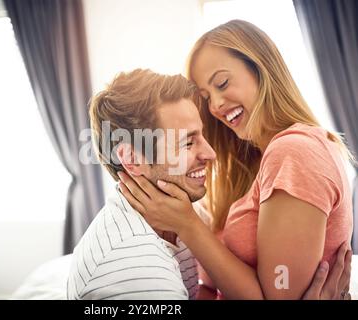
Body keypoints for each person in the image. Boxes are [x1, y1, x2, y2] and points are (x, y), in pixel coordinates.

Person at [117, 20, 354, 300]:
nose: (215, 105)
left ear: (261, 68)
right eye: (205, 97)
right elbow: (209, 285)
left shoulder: (293, 152)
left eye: (222, 83)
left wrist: (187, 224)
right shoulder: (257, 161)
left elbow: (277, 297)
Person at [68, 68, 350, 300]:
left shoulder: (181, 220)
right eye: (188, 142)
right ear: (131, 158)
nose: (211, 154)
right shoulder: (134, 268)